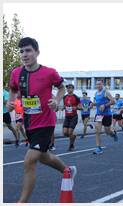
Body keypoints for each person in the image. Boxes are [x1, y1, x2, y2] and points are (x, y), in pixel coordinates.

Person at [7, 37, 76, 203]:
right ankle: (67, 170)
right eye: (22, 51)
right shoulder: (16, 73)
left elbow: (61, 88)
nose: (25, 54)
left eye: (28, 50)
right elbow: (13, 89)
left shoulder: (49, 72)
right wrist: (10, 102)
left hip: (46, 122)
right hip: (30, 121)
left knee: (30, 160)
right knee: (44, 156)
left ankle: (21, 202)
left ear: (37, 52)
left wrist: (57, 100)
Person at [92, 79, 118, 154]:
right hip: (99, 115)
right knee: (97, 131)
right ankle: (98, 148)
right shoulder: (96, 93)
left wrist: (105, 105)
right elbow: (97, 102)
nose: (98, 86)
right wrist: (93, 104)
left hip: (107, 115)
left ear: (102, 84)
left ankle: (113, 134)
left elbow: (113, 101)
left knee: (107, 131)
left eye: (99, 84)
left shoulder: (106, 92)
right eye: (97, 84)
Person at [63, 84, 81, 151]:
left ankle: (71, 145)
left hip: (74, 117)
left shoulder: (76, 97)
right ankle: (73, 136)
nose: (68, 89)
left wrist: (75, 107)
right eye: (67, 88)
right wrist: (63, 107)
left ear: (73, 89)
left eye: (70, 88)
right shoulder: (64, 97)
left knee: (70, 132)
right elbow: (64, 105)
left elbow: (80, 107)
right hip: (67, 117)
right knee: (65, 133)